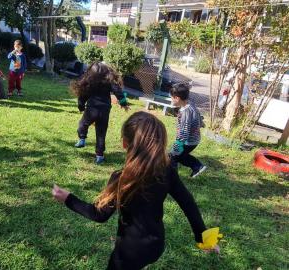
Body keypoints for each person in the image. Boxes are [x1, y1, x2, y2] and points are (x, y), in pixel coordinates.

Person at [52, 111, 220, 270]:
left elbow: (99, 215)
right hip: (155, 245)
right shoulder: (167, 171)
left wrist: (67, 198)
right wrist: (204, 238)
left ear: (124, 143)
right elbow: (188, 203)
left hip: (129, 252)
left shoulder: (121, 178)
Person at [71, 62, 129, 164]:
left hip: (91, 110)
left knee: (82, 124)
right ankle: (100, 156)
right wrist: (124, 103)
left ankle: (82, 139)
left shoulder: (90, 82)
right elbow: (118, 91)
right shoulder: (109, 81)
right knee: (101, 134)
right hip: (104, 111)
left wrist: (81, 107)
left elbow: (83, 95)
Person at [169, 84, 207, 178]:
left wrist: (178, 144)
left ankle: (172, 178)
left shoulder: (185, 112)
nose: (171, 100)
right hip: (194, 139)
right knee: (181, 156)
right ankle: (197, 166)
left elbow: (184, 131)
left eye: (171, 98)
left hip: (188, 141)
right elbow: (198, 115)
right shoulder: (190, 104)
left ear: (177, 98)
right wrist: (201, 123)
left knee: (173, 156)